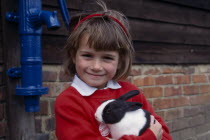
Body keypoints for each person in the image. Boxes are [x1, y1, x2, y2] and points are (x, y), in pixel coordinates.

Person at [55, 1, 172, 140]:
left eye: (107, 58)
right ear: (74, 55)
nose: (96, 66)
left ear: (120, 60)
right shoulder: (69, 102)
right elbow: (154, 134)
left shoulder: (131, 92)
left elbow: (162, 132)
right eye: (87, 55)